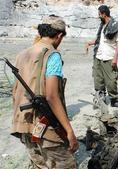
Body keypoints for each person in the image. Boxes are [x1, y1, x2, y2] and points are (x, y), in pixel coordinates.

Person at [11, 15, 78, 168]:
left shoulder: (22, 54)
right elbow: (51, 96)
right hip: (46, 129)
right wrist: (69, 131)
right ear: (59, 35)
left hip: (25, 125)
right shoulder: (52, 55)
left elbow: (15, 92)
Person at [85, 5, 118, 108]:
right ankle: (100, 99)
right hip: (98, 56)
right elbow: (99, 40)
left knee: (111, 80)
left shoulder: (115, 26)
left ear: (104, 14)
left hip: (109, 57)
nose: (98, 16)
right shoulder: (102, 25)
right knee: (98, 80)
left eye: (99, 14)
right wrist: (89, 43)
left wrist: (115, 58)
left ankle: (114, 100)